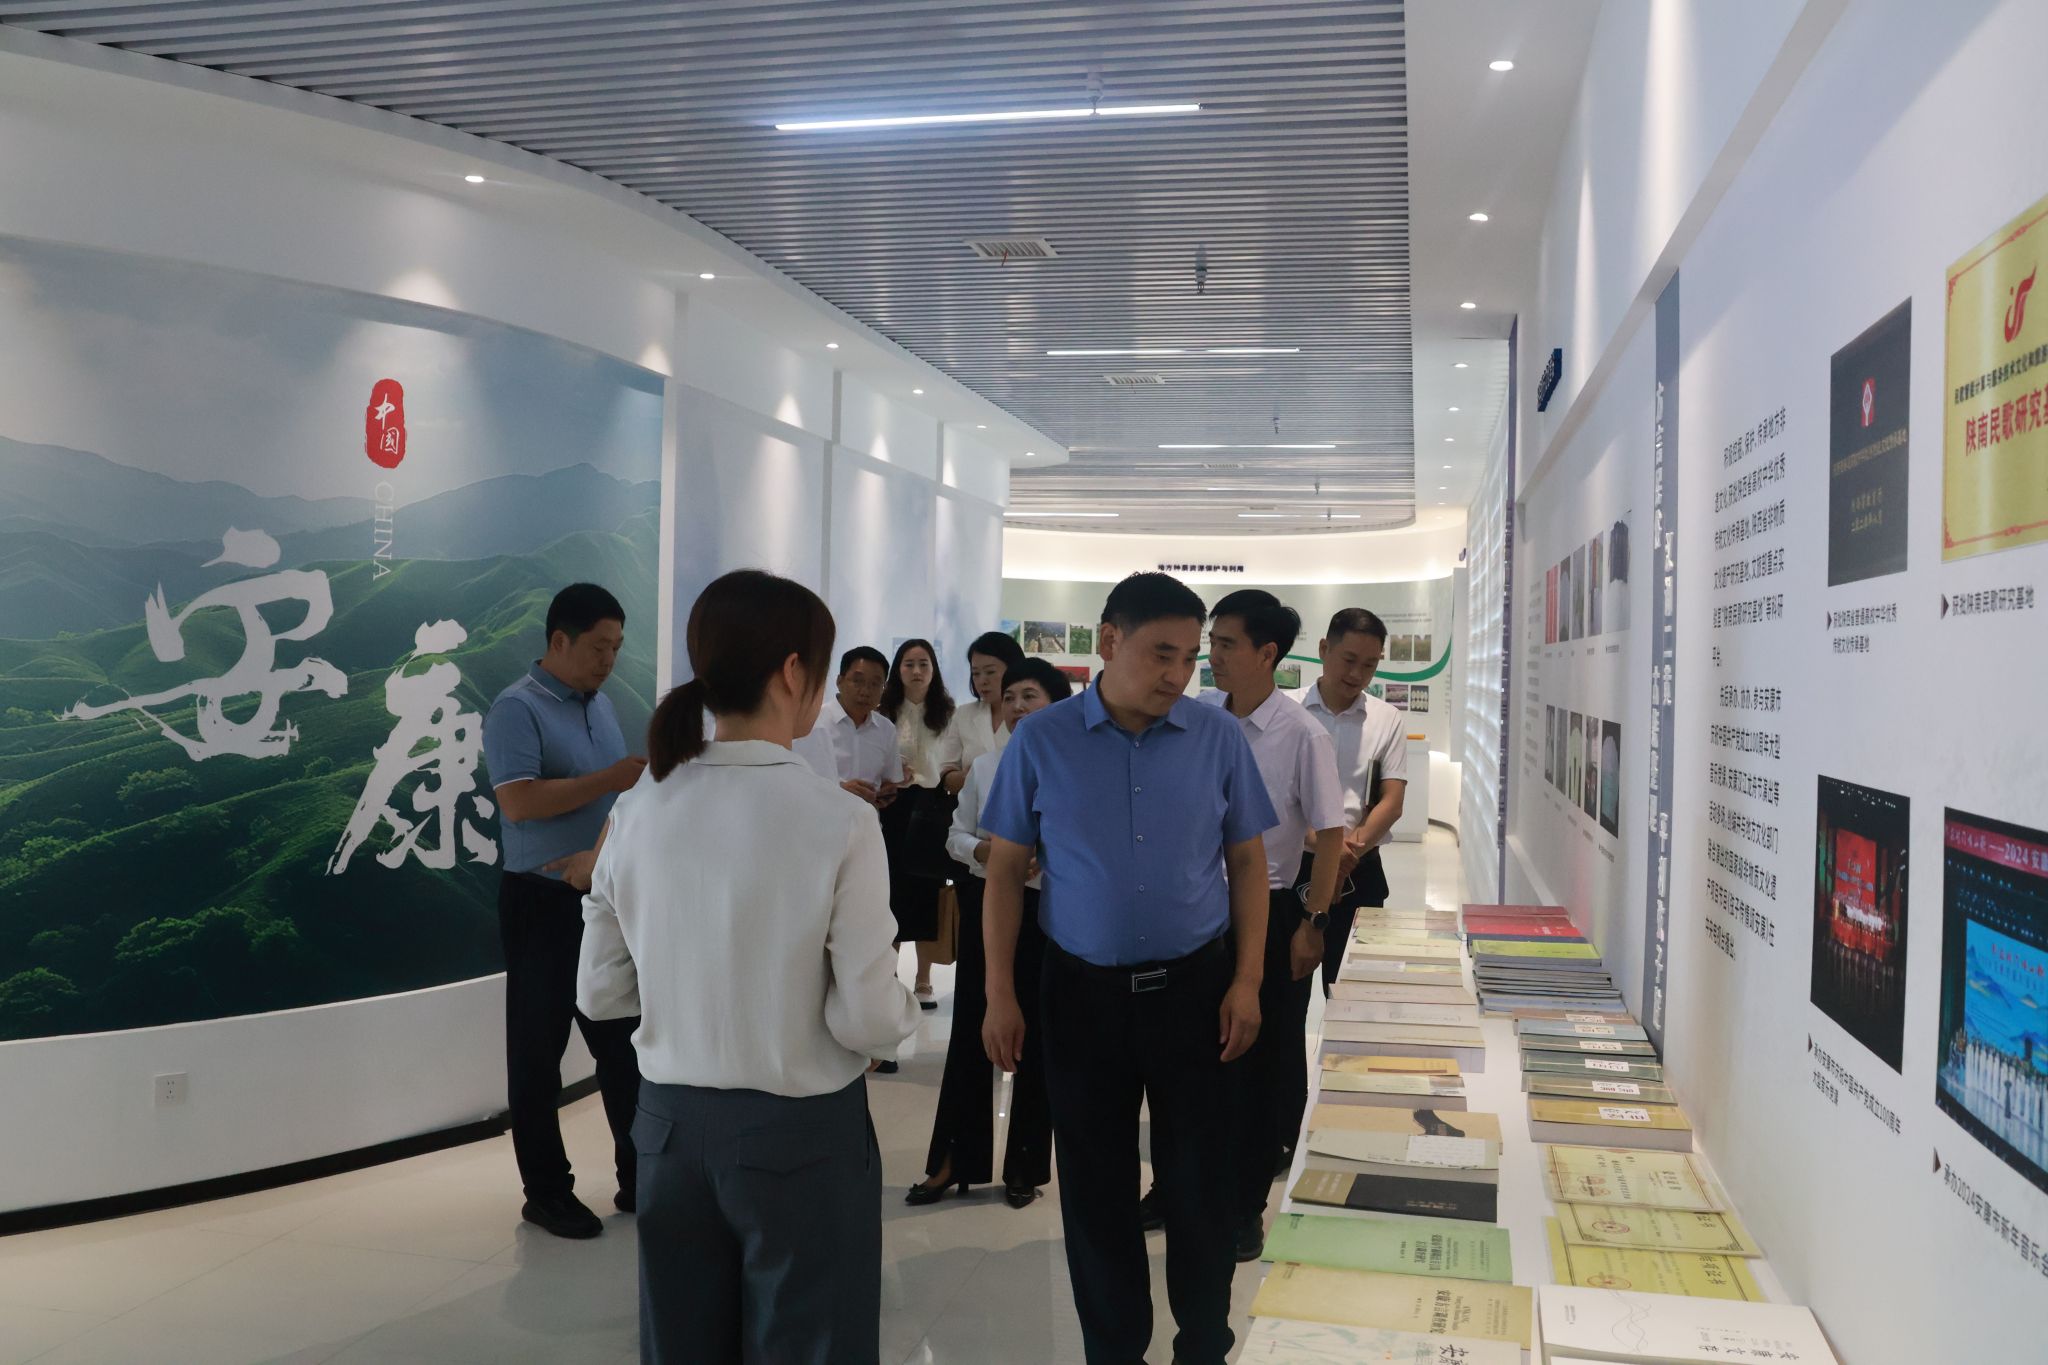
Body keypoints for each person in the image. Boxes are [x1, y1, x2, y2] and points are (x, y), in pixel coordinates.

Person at [577, 569, 921, 1365]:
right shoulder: (841, 818)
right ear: (795, 672)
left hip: (666, 1133)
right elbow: (867, 1018)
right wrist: (899, 1016)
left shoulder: (638, 807)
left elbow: (599, 992)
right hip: (801, 1136)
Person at [981, 572, 1277, 1365]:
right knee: (1095, 1188)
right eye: (1161, 654)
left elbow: (1248, 862)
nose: (1178, 674)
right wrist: (999, 993)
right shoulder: (1041, 741)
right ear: (1109, 641)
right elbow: (1004, 871)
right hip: (1082, 994)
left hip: (1196, 992)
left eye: (1190, 657)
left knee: (1200, 1184)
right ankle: (1115, 1350)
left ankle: (1203, 1344)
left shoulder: (1217, 738)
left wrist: (1248, 979)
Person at [1139, 590, 1344, 1259]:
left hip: (1272, 908)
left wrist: (1313, 922)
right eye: (1211, 642)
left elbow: (1332, 836)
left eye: (1225, 644)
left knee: (1257, 1064)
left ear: (1267, 653)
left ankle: (1244, 1207)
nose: (1211, 656)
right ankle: (1172, 1187)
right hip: (1195, 910)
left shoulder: (1301, 734)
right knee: (1180, 1059)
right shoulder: (1196, 716)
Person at [481, 583, 649, 1241]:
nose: (610, 660)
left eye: (617, 648)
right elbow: (519, 802)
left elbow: (616, 803)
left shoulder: (599, 704)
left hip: (602, 897)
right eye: (599, 647)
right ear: (559, 640)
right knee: (537, 1052)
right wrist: (613, 778)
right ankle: (546, 1193)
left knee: (622, 1044)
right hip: (540, 902)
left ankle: (640, 1177)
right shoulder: (515, 709)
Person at [908, 657, 1070, 1211]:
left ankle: (1025, 1164)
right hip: (988, 907)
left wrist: (1045, 861)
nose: (1018, 707)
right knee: (973, 1032)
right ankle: (954, 1160)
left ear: (1057, 706)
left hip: (1051, 913)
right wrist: (985, 851)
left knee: (1040, 1036)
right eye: (1011, 697)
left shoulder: (1075, 768)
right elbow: (956, 836)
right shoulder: (986, 766)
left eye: (1031, 697)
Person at [1301, 608, 1410, 991]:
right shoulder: (1287, 710)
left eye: (1369, 665)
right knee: (1285, 993)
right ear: (1323, 649)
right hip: (1296, 866)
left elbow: (1391, 802)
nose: (1357, 674)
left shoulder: (1386, 718)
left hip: (1358, 869)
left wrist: (1345, 854)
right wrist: (1324, 846)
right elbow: (1275, 798)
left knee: (1353, 992)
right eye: (1349, 660)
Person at [879, 639, 957, 1009]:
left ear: (933, 669)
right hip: (893, 805)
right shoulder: (883, 710)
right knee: (890, 892)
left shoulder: (948, 712)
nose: (916, 671)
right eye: (909, 664)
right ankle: (890, 977)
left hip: (934, 805)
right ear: (898, 669)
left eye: (923, 663)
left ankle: (923, 978)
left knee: (929, 893)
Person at [793, 645, 904, 806]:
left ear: (884, 688)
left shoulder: (886, 729)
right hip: (820, 815)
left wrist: (885, 793)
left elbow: (890, 782)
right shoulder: (812, 722)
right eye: (857, 681)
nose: (865, 691)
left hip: (867, 819)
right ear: (839, 681)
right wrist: (839, 789)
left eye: (875, 684)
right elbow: (795, 778)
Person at [936, 631, 1028, 797]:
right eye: (976, 673)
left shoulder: (1030, 713)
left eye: (990, 672)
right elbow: (945, 773)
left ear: (1014, 669)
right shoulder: (964, 714)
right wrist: (967, 778)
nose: (982, 681)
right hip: (971, 807)